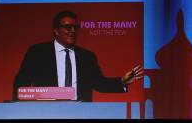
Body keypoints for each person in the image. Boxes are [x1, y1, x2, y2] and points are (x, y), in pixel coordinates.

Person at [13, 11, 144, 102]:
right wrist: (17, 111)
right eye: (67, 27)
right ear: (56, 30)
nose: (73, 31)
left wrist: (122, 81)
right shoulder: (37, 52)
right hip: (47, 113)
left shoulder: (87, 57)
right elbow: (21, 83)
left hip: (82, 115)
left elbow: (99, 84)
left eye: (75, 27)